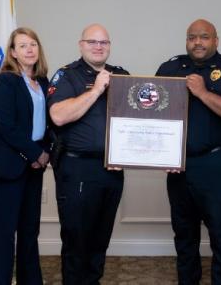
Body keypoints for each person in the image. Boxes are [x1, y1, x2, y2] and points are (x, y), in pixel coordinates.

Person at [155, 19, 221, 284]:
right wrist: (160, 155)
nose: (197, 42)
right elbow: (153, 115)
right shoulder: (170, 68)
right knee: (184, 238)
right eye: (192, 37)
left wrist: (202, 92)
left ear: (216, 40)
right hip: (178, 168)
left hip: (216, 167)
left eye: (204, 37)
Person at [47, 23, 129, 284]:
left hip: (112, 170)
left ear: (109, 46)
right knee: (76, 241)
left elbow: (137, 121)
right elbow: (58, 116)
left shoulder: (122, 75)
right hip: (77, 170)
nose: (98, 47)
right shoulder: (67, 76)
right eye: (92, 42)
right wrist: (95, 90)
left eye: (103, 42)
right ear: (81, 44)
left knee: (99, 241)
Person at [0, 27, 51, 285]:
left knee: (29, 231)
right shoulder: (6, 81)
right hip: (10, 166)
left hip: (35, 166)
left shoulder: (43, 82)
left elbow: (47, 124)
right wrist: (35, 153)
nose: (29, 49)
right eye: (22, 45)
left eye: (33, 44)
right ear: (12, 52)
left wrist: (44, 154)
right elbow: (5, 125)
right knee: (4, 233)